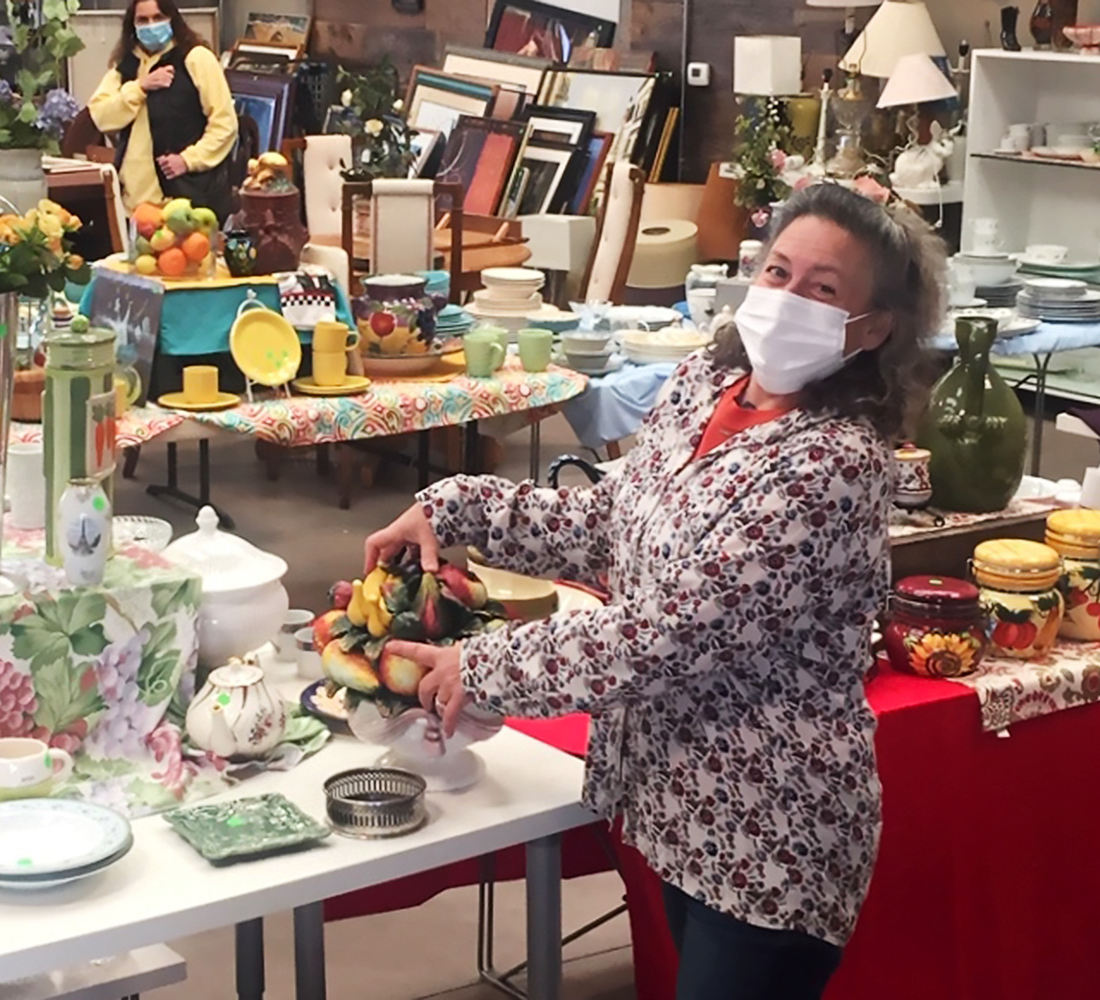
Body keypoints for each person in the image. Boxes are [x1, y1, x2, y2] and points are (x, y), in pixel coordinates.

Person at [363, 182, 945, 999]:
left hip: (767, 834)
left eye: (823, 288)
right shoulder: (707, 390)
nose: (785, 299)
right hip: (674, 806)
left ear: (874, 326)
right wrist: (454, 504)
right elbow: (612, 519)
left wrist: (481, 667)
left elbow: (669, 633)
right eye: (777, 272)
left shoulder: (834, 462)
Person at [84, 0, 239, 217]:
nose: (151, 25)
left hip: (185, 199)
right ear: (132, 25)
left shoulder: (195, 58)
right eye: (143, 20)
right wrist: (139, 88)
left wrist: (189, 160)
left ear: (172, 19)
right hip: (133, 203)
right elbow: (101, 115)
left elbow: (225, 124)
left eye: (158, 18)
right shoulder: (125, 66)